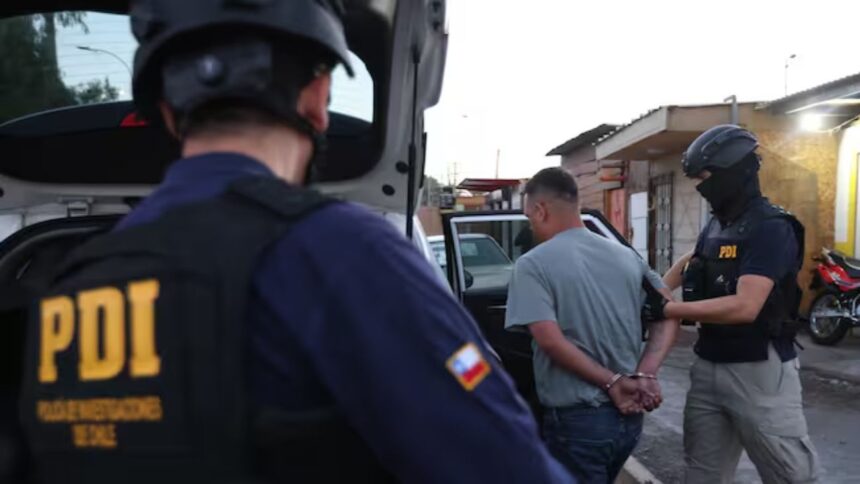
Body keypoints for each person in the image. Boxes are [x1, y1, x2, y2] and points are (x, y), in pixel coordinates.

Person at [19, 1, 575, 483]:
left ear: (166, 112)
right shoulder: (342, 253)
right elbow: (507, 465)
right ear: (318, 96)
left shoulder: (69, 287)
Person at [646, 125, 820, 484]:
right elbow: (694, 259)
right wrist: (658, 289)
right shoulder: (718, 224)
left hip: (758, 368)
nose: (701, 187)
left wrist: (669, 309)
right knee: (702, 473)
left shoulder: (771, 227)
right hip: (709, 363)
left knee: (789, 475)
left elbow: (745, 306)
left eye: (705, 178)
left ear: (733, 172)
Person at [505, 167, 679, 484]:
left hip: (577, 421)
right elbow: (668, 311)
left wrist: (612, 382)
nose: (531, 225)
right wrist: (646, 373)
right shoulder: (626, 256)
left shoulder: (531, 264)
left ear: (541, 210)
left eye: (529, 217)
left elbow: (549, 340)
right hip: (629, 419)